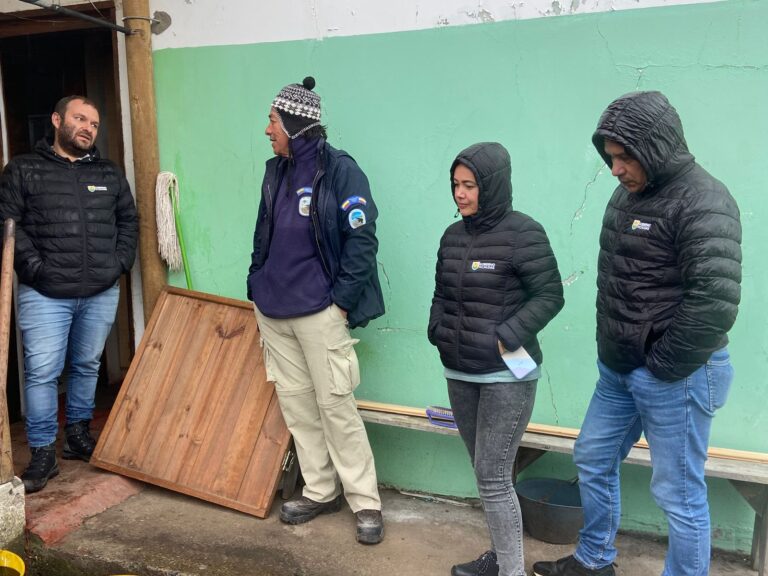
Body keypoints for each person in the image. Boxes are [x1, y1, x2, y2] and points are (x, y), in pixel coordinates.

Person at [533, 91, 741, 576]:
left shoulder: (705, 200)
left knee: (679, 495)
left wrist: (661, 365)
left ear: (658, 146)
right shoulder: (628, 193)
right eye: (610, 158)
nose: (615, 168)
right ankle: (594, 560)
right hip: (621, 370)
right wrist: (621, 353)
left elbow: (714, 302)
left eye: (625, 156)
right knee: (592, 457)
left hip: (679, 372)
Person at [246, 77, 385, 544]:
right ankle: (321, 489)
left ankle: (364, 501)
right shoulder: (276, 170)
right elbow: (263, 230)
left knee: (335, 407)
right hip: (274, 310)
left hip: (320, 311)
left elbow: (362, 240)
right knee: (299, 408)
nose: (267, 130)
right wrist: (255, 280)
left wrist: (342, 302)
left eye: (272, 121)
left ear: (292, 123)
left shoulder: (340, 170)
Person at [429, 142, 565, 576]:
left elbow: (550, 296)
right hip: (459, 371)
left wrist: (507, 335)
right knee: (486, 473)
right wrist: (437, 330)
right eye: (456, 185)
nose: (460, 194)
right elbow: (441, 294)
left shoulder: (524, 232)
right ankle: (499, 557)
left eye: (469, 185)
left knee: (492, 474)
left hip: (507, 375)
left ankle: (511, 571)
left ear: (492, 185)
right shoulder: (452, 237)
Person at [0, 95, 138, 494]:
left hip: (99, 290)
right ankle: (43, 451)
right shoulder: (24, 169)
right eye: (80, 119)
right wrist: (36, 269)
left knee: (86, 366)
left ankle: (77, 435)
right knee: (42, 372)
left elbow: (128, 220)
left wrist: (118, 265)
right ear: (57, 119)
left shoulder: (109, 173)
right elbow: (8, 224)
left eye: (94, 124)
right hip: (44, 294)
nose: (87, 128)